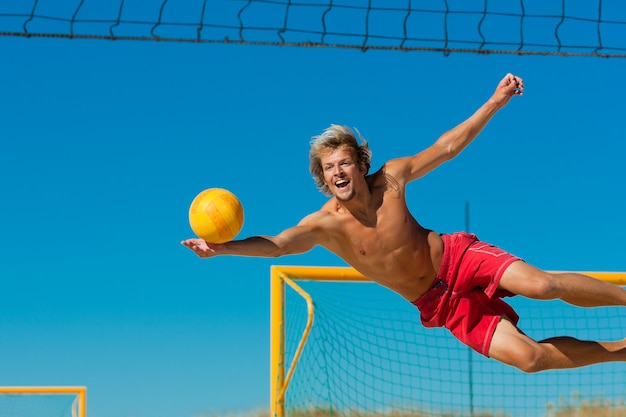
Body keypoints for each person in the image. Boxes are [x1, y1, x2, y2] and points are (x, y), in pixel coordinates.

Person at [182, 73, 626, 372]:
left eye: (345, 163)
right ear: (322, 178)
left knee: (542, 286)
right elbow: (278, 244)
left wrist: (495, 101)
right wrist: (222, 248)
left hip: (459, 258)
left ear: (360, 164)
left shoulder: (391, 179)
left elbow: (447, 147)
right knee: (528, 358)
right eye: (329, 167)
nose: (338, 172)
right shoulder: (325, 225)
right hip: (441, 305)